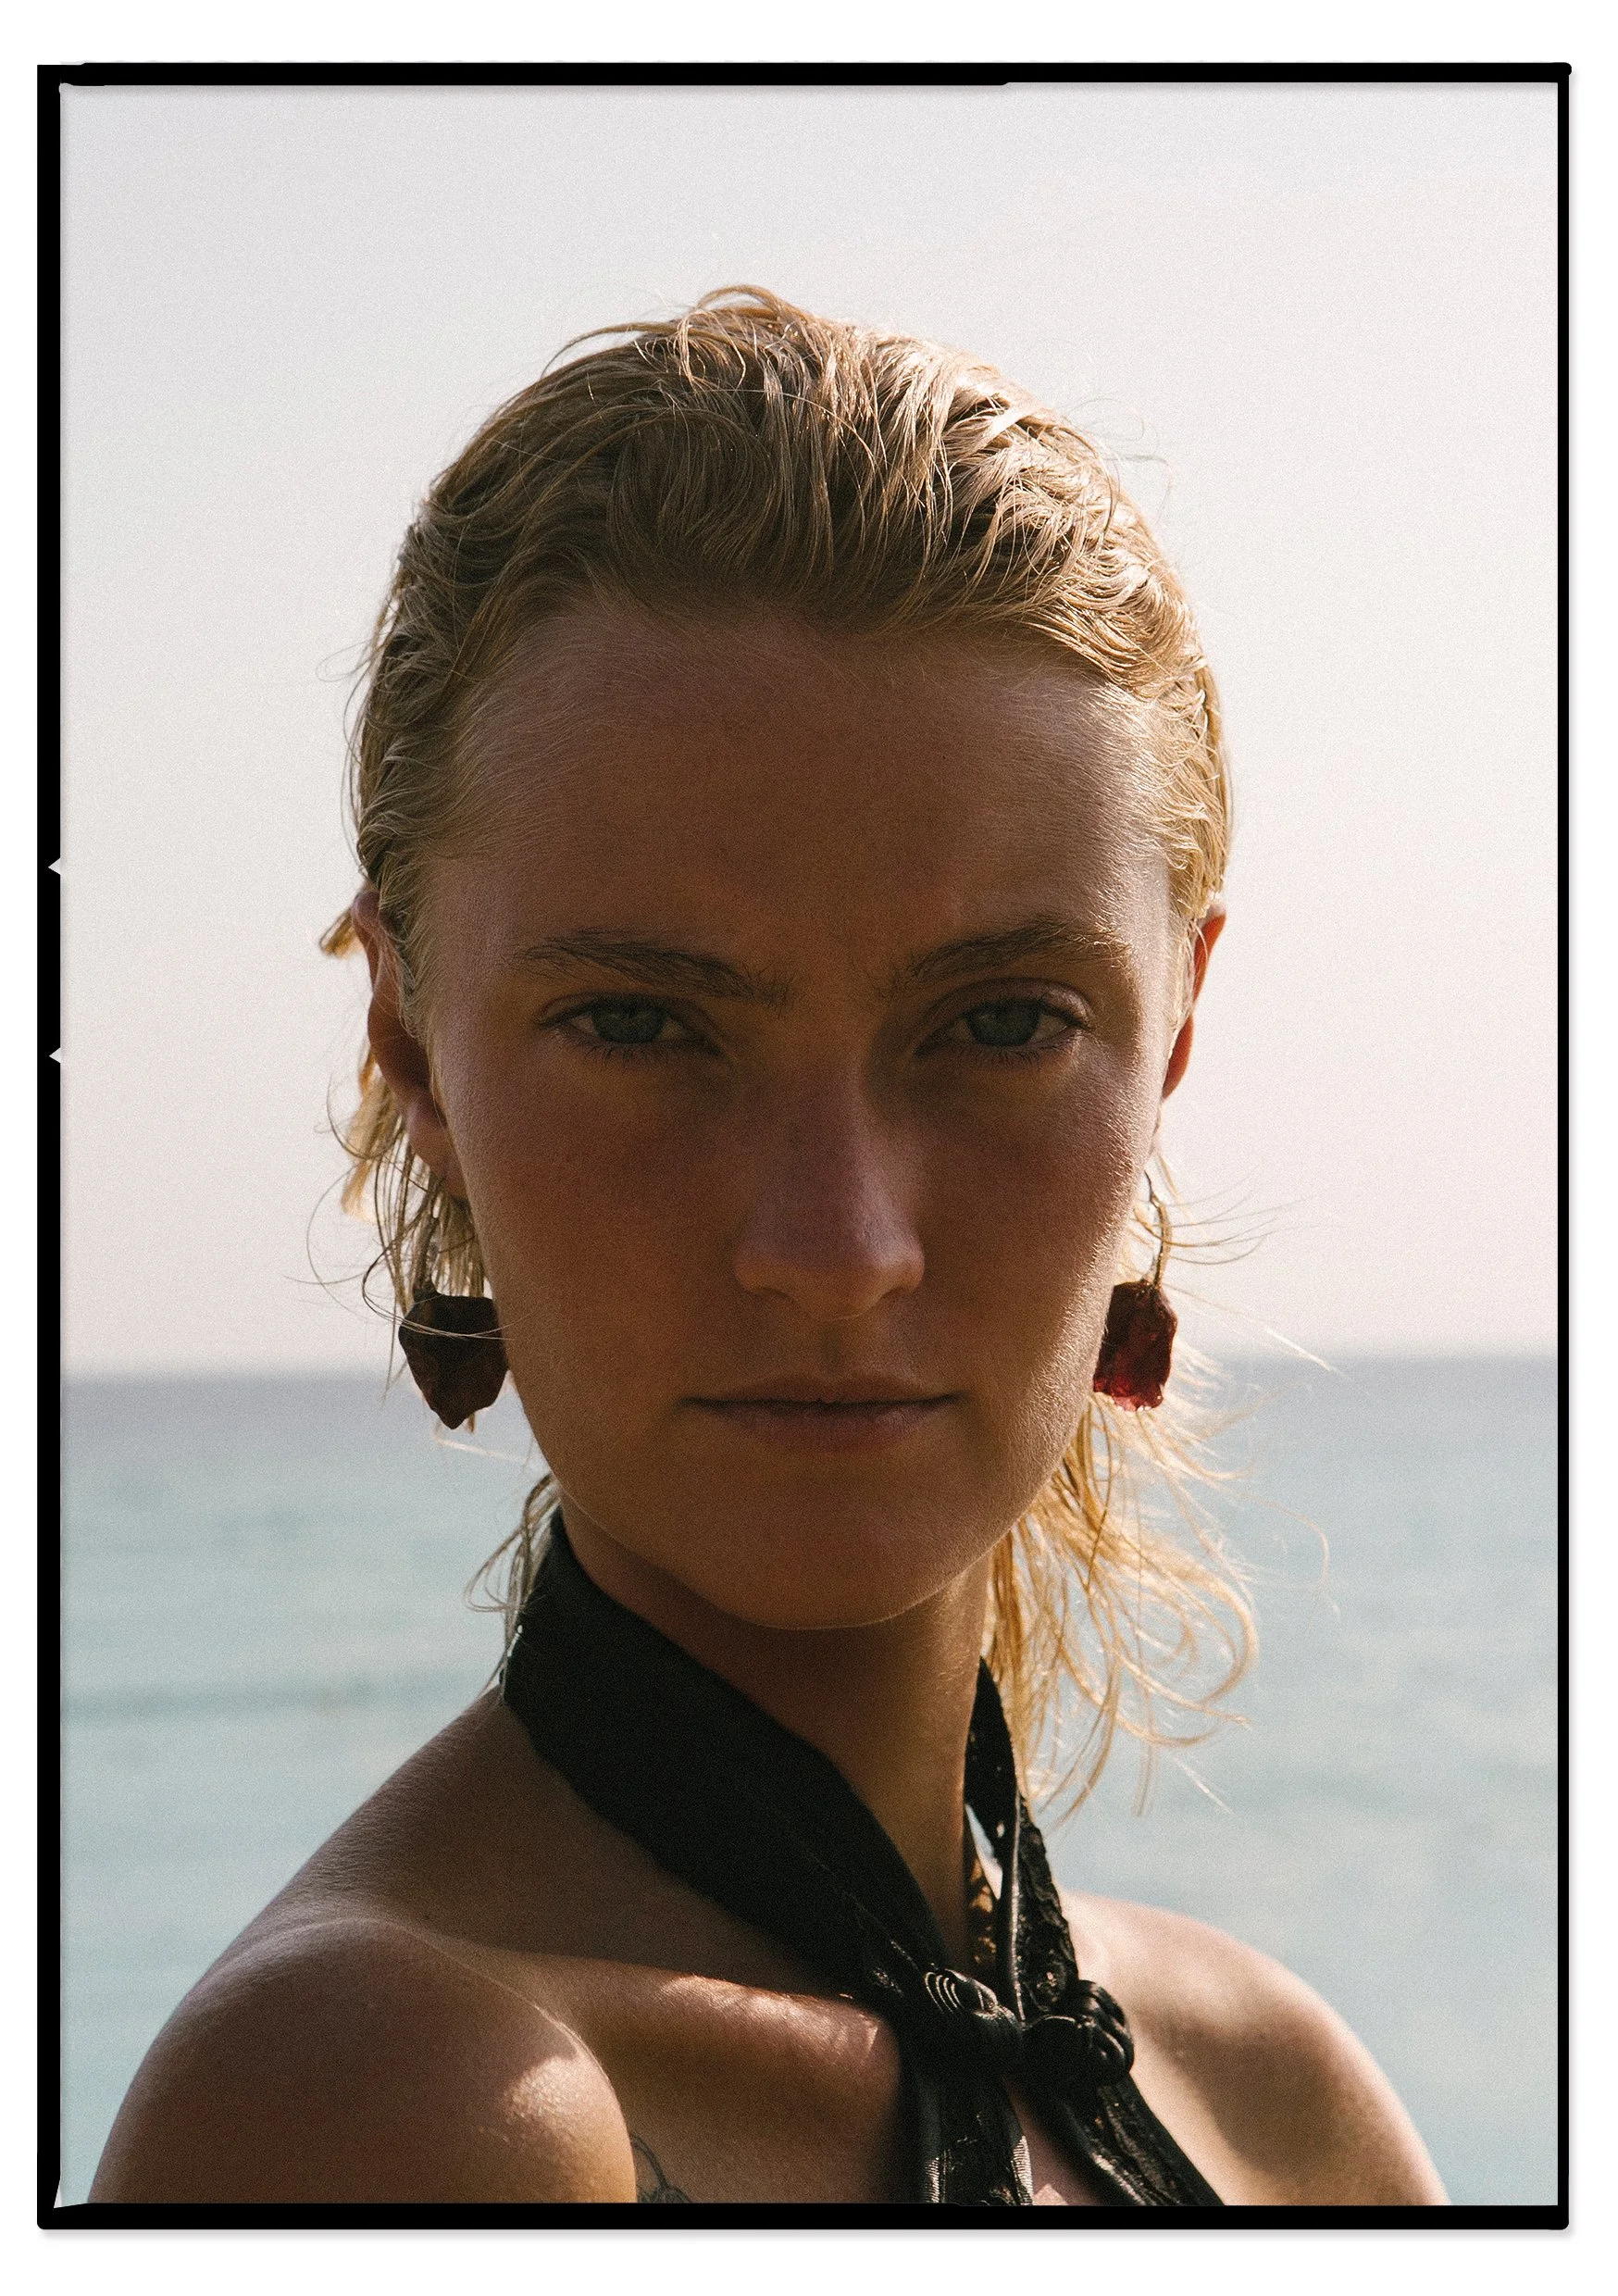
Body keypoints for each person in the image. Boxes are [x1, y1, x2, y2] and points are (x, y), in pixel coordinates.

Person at [91, 290, 1444, 2209]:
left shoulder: (1272, 2096)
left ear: (1176, 1038)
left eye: (999, 1024)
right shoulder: (407, 2105)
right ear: (414, 1055)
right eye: (646, 1025)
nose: (837, 1244)